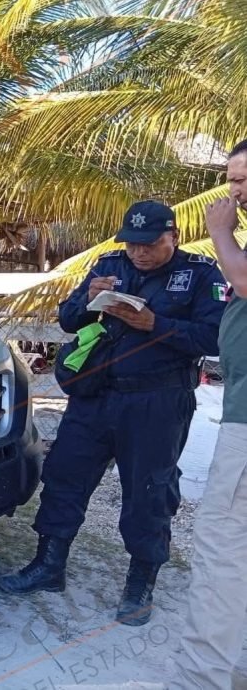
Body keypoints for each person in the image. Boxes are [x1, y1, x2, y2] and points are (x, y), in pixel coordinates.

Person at [0, 199, 226, 627]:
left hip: (156, 403)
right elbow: (67, 320)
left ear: (172, 237)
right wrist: (88, 297)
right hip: (95, 398)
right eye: (133, 243)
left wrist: (153, 325)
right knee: (65, 477)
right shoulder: (109, 265)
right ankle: (49, 566)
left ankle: (140, 582)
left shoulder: (200, 275)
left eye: (150, 244)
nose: (139, 252)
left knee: (149, 492)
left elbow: (213, 338)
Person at [166, 140, 247, 689]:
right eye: (231, 179)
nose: (234, 192)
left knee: (223, 544)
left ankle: (203, 678)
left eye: (243, 180)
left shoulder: (228, 243)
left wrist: (221, 231)